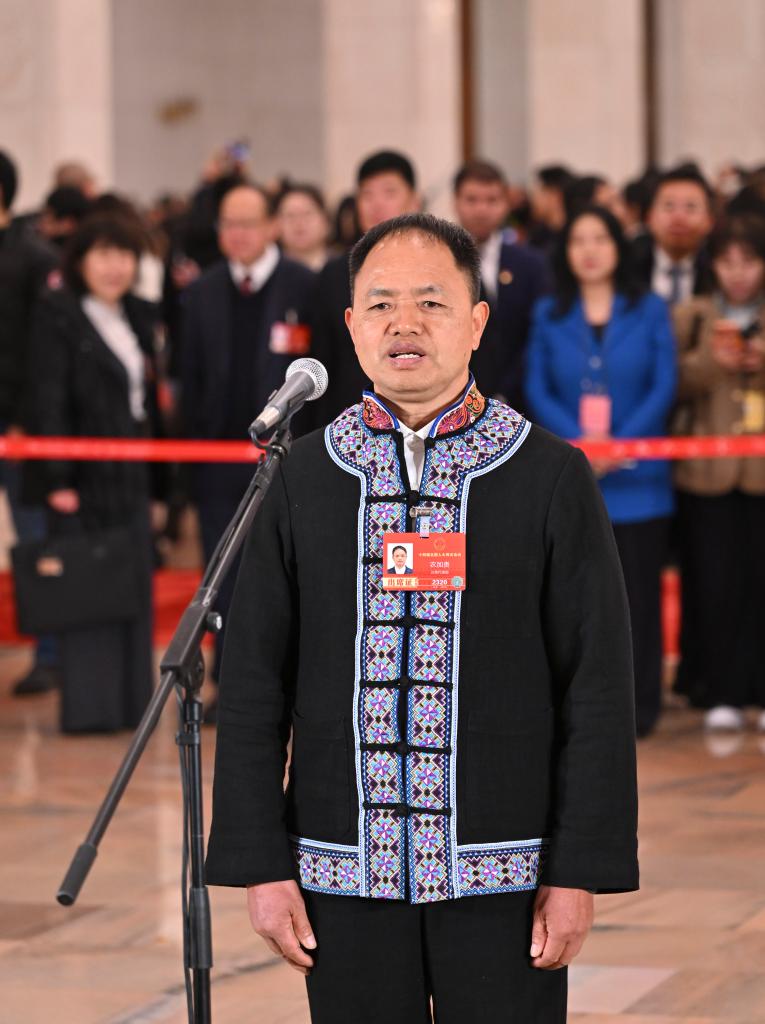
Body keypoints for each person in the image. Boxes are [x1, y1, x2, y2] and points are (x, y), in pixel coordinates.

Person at [205, 213, 639, 1023]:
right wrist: (261, 863)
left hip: (506, 870)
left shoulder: (547, 475)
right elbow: (254, 682)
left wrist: (577, 868)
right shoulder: (301, 477)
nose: (403, 323)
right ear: (350, 326)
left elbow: (597, 686)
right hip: (340, 868)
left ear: (476, 320)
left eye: (431, 302)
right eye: (380, 304)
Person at [525, 206, 677, 737]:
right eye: (578, 240)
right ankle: (583, 708)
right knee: (577, 602)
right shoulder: (549, 312)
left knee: (639, 599)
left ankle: (641, 706)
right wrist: (583, 446)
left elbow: (663, 383)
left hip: (640, 484)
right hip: (575, 478)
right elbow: (538, 386)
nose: (589, 250)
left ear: (618, 247)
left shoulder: (649, 308)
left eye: (601, 239)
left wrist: (620, 443)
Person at [180, 182, 316, 714]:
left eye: (249, 223)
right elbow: (189, 378)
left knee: (280, 568)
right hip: (216, 460)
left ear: (272, 226)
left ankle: (282, 681)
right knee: (223, 571)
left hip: (286, 457)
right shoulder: (202, 291)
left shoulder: (303, 285)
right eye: (229, 224)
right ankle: (227, 682)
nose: (238, 234)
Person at [28, 215, 163, 732]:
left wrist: (161, 488)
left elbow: (149, 403)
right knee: (88, 590)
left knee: (131, 586)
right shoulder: (58, 314)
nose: (115, 267)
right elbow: (48, 398)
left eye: (124, 255)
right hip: (81, 479)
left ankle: (133, 706)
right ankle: (93, 709)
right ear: (80, 261)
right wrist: (58, 477)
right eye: (103, 254)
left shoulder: (137, 315)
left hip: (131, 472)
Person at [671, 216, 765, 732]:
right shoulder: (694, 315)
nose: (738, 273)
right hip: (706, 474)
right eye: (727, 262)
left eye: (748, 262)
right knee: (713, 584)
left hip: (760, 473)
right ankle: (721, 690)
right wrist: (716, 361)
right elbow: (673, 382)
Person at [0, 149, 60, 696]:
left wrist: (23, 421)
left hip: (18, 431)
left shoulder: (34, 258)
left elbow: (41, 353)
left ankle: (49, 652)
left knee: (35, 539)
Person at [308, 150, 420, 426]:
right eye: (367, 194)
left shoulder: (442, 268)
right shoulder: (334, 274)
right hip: (349, 423)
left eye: (389, 192)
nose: (376, 204)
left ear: (414, 200)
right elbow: (323, 358)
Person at [453, 159, 550, 409]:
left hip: (520, 402)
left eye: (491, 200)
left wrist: (506, 392)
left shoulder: (531, 264)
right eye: (472, 199)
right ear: (456, 202)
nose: (481, 209)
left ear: (506, 204)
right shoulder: (440, 262)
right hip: (453, 400)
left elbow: (537, 336)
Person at [633, 166, 716, 305]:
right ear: (649, 218)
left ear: (709, 221)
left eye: (690, 207)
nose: (679, 217)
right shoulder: (627, 268)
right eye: (669, 206)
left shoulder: (718, 272)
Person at [275, 185, 331, 272]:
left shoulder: (346, 269)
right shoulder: (267, 272)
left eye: (307, 214)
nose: (299, 223)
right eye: (290, 216)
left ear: (325, 221)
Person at [527, 164, 575, 255]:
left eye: (539, 192)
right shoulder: (538, 235)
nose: (533, 199)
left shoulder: (574, 237)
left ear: (555, 195)